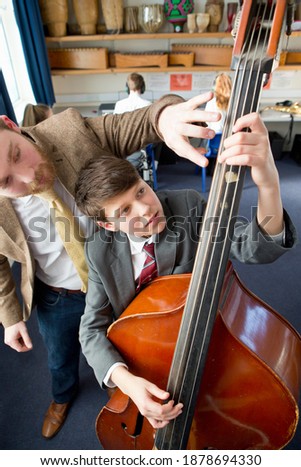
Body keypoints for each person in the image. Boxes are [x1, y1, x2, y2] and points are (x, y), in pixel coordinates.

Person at [0, 91, 221, 439]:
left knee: (125, 347)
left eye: (16, 154)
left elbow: (133, 125)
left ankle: (120, 391)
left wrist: (162, 119)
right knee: (59, 357)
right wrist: (10, 316)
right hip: (55, 294)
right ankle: (61, 398)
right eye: (5, 182)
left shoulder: (70, 130)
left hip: (117, 279)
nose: (27, 177)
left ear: (9, 124)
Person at [74, 111, 297, 430]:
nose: (146, 208)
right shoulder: (99, 248)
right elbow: (91, 328)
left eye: (140, 190)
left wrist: (269, 184)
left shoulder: (189, 207)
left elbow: (253, 248)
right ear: (108, 224)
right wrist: (128, 383)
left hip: (204, 346)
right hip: (146, 357)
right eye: (125, 210)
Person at [114, 73, 152, 172]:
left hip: (122, 143)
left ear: (127, 87)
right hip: (141, 143)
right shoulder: (148, 105)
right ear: (143, 87)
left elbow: (114, 127)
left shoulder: (119, 105)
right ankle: (154, 163)